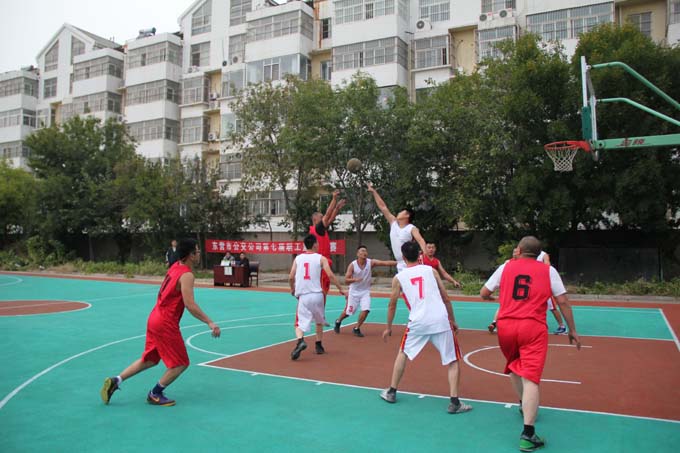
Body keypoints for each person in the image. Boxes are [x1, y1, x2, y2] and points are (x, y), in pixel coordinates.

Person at [480, 236, 581, 452]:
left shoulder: (505, 267)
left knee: (514, 366)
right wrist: (572, 329)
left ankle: (522, 403)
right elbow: (563, 301)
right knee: (531, 378)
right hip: (532, 327)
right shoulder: (548, 271)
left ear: (519, 249)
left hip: (506, 326)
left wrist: (496, 300)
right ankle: (528, 434)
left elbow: (484, 293)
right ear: (539, 254)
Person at [100, 238, 221, 406]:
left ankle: (116, 380)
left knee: (149, 359)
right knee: (181, 363)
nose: (200, 253)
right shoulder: (187, 275)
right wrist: (210, 322)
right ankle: (154, 393)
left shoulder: (175, 266)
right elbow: (190, 304)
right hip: (165, 323)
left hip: (154, 317)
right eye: (198, 251)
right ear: (191, 255)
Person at [380, 241, 472, 415]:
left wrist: (388, 327)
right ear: (420, 255)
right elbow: (445, 298)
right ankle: (454, 402)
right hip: (439, 319)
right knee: (453, 360)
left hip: (418, 321)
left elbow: (392, 304)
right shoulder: (431, 271)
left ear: (403, 257)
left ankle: (391, 391)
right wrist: (452, 320)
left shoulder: (399, 278)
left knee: (403, 353)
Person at [288, 234, 345, 360]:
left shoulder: (298, 258)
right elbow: (330, 275)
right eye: (317, 243)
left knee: (298, 323)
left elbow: (291, 277)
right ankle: (319, 345)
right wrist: (341, 288)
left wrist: (292, 289)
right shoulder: (321, 258)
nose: (319, 245)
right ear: (314, 244)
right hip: (318, 295)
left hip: (304, 296)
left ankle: (300, 341)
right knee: (319, 320)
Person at [487, 249, 567, 335]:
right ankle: (495, 322)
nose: (514, 254)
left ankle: (561, 326)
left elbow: (547, 266)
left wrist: (538, 270)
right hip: (527, 287)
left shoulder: (543, 255)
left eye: (516, 252)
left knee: (552, 307)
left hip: (540, 285)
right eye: (513, 252)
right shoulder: (515, 260)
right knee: (512, 305)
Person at [334, 245, 397, 337]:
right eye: (362, 251)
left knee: (366, 310)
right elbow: (346, 280)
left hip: (365, 292)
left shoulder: (371, 262)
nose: (364, 253)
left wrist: (400, 263)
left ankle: (356, 328)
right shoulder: (352, 265)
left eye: (365, 251)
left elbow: (385, 263)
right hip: (354, 292)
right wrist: (355, 280)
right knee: (348, 312)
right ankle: (338, 321)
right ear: (358, 254)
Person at [367, 182, 427, 272]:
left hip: (410, 262)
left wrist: (425, 253)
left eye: (401, 212)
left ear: (407, 215)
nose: (398, 213)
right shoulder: (393, 223)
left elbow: (420, 240)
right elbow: (383, 207)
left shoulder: (411, 228)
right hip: (400, 263)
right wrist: (374, 192)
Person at [309, 189, 347, 298]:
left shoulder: (319, 230)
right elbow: (328, 214)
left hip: (321, 264)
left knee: (322, 292)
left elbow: (330, 218)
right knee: (321, 292)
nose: (324, 219)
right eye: (321, 218)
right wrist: (334, 199)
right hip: (320, 265)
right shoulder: (317, 229)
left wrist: (337, 208)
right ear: (315, 220)